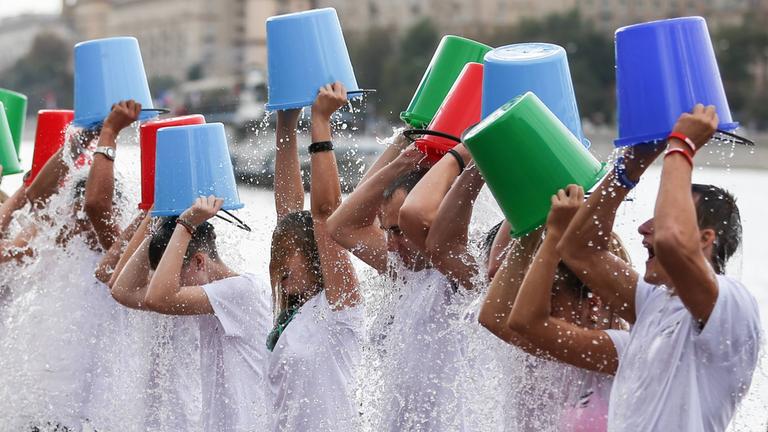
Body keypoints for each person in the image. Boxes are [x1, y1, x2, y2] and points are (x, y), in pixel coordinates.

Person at [553, 105, 762, 431]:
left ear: (706, 238)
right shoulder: (653, 301)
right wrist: (627, 171)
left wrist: (682, 146)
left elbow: (671, 241)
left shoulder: (734, 304)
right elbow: (578, 250)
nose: (644, 228)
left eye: (662, 216)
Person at [0, 104, 138, 430]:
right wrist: (83, 139)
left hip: (95, 414)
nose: (79, 223)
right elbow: (37, 197)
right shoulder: (55, 246)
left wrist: (109, 134)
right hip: (44, 406)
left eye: (84, 217)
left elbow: (95, 205)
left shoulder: (119, 253)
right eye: (74, 215)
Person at [266, 82, 362, 431]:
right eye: (277, 257)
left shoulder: (339, 307)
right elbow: (287, 214)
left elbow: (325, 214)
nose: (278, 268)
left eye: (287, 256)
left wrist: (320, 122)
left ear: (314, 255)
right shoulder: (289, 313)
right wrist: (286, 125)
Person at [496, 185, 630, 431]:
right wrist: (533, 224)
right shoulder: (548, 350)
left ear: (592, 302)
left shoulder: (620, 349)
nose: (530, 309)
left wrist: (557, 234)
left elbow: (515, 319)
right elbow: (494, 315)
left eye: (550, 303)